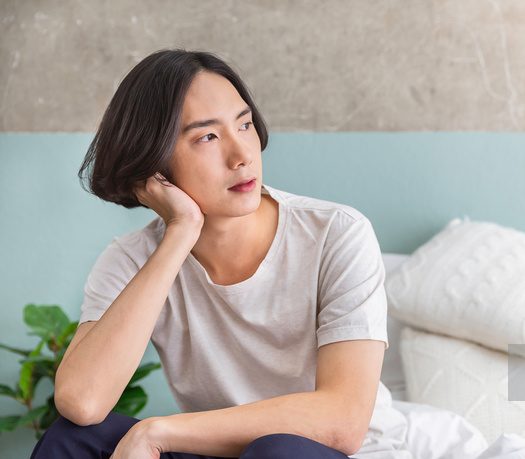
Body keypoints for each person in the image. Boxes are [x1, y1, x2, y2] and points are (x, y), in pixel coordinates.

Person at [31, 50, 410, 458]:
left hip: (334, 453)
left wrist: (157, 432)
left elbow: (343, 422)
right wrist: (180, 232)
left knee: (279, 451)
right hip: (223, 452)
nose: (242, 155)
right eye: (207, 137)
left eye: (244, 124)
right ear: (154, 162)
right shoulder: (132, 258)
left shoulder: (336, 233)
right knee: (74, 437)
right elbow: (82, 402)